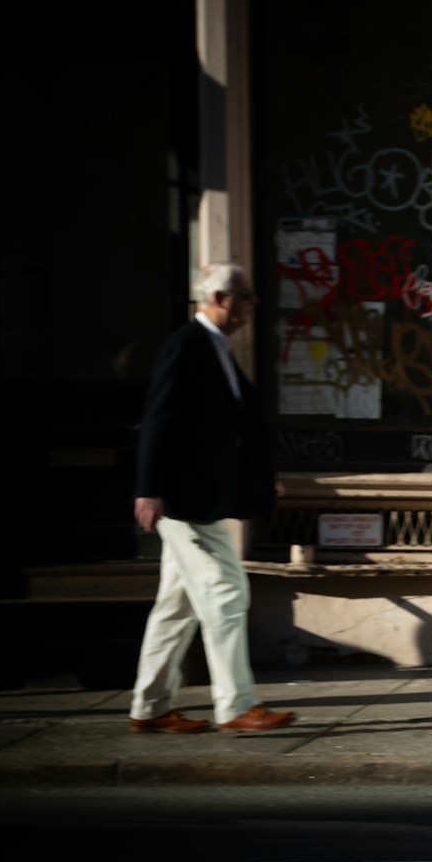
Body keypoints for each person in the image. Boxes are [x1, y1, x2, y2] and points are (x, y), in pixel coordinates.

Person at [127, 263, 296, 734]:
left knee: (176, 607)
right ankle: (237, 705)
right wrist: (148, 488)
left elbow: (234, 427)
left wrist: (263, 476)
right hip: (183, 501)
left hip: (197, 498)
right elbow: (159, 417)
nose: (252, 306)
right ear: (220, 298)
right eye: (246, 297)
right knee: (226, 592)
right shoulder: (187, 345)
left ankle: (150, 707)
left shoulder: (217, 349)